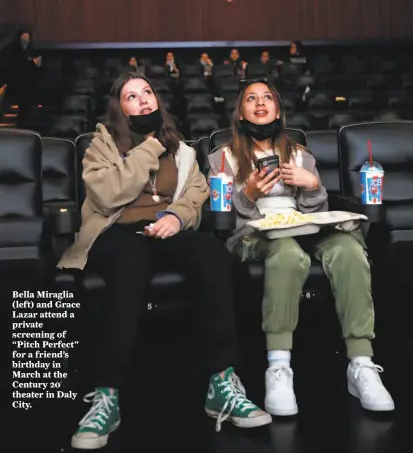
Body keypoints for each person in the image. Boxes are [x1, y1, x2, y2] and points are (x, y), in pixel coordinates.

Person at [57, 72, 271, 449]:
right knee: (130, 262)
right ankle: (107, 394)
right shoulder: (101, 145)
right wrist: (149, 147)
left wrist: (176, 217)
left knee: (212, 254)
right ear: (119, 108)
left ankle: (222, 380)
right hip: (116, 234)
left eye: (147, 93)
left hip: (167, 231)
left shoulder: (184, 150)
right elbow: (109, 195)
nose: (143, 101)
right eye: (131, 96)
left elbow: (196, 195)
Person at [208, 78, 395, 417]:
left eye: (268, 98)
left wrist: (311, 187)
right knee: (288, 255)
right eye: (251, 98)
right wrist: (248, 195)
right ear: (240, 112)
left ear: (278, 109)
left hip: (303, 227)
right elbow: (223, 222)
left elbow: (314, 214)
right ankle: (278, 366)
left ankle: (361, 363)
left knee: (348, 249)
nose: (261, 103)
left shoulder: (301, 156)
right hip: (256, 235)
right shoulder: (222, 159)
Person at [0, 29, 41, 128]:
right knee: (9, 105)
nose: (25, 41)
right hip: (14, 83)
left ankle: (23, 127)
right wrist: (31, 63)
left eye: (27, 39)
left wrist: (34, 64)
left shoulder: (31, 50)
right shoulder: (12, 50)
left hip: (27, 85)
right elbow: (14, 67)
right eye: (23, 39)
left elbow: (37, 69)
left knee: (24, 110)